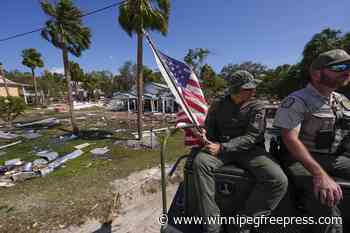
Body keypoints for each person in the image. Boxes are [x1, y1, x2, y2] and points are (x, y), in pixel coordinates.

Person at [192, 70, 288, 233]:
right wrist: (203, 134)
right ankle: (212, 226)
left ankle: (241, 224)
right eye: (249, 89)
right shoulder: (218, 105)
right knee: (200, 163)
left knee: (278, 180)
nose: (253, 91)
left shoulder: (256, 106)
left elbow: (252, 137)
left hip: (250, 151)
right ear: (236, 90)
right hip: (222, 149)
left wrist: (222, 147)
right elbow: (210, 129)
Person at [274, 49, 350, 233]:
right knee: (326, 198)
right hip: (301, 159)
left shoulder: (342, 101)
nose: (346, 71)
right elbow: (290, 138)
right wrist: (320, 175)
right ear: (317, 73)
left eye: (349, 66)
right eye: (340, 67)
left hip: (336, 158)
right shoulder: (297, 100)